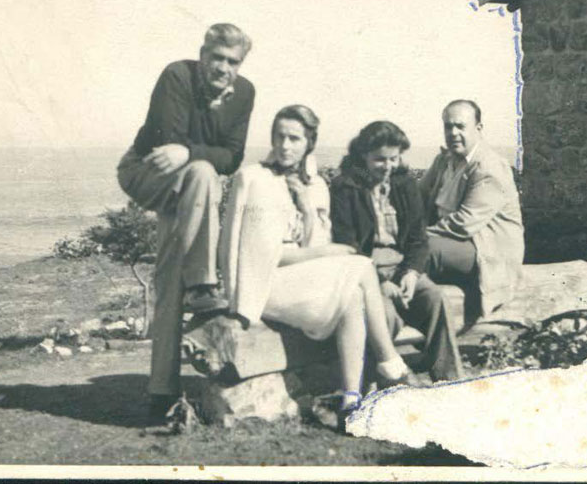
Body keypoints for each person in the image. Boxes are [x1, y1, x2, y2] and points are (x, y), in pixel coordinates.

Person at [219, 105, 417, 426]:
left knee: (352, 295)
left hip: (299, 282)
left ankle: (352, 400)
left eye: (294, 139)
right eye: (279, 136)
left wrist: (310, 211)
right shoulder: (253, 179)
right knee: (362, 266)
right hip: (264, 285)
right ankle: (391, 364)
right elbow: (265, 257)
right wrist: (331, 253)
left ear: (309, 142)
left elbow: (314, 245)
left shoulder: (314, 185)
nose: (285, 145)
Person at [117, 23, 254, 423]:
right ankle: (204, 284)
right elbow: (168, 142)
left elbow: (234, 156)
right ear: (202, 54)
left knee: (169, 272)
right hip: (145, 172)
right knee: (203, 174)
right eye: (216, 58)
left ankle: (161, 390)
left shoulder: (244, 93)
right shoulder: (177, 75)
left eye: (233, 61)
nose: (223, 68)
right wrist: (195, 151)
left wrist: (191, 150)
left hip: (192, 186)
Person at [330, 121, 463, 381]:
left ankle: (450, 380)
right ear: (363, 155)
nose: (388, 166)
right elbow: (347, 245)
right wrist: (380, 282)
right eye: (380, 160)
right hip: (365, 273)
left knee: (436, 300)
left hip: (402, 268)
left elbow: (418, 238)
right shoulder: (345, 188)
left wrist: (411, 272)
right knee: (385, 316)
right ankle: (379, 385)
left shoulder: (404, 185)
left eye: (393, 159)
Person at [419, 100, 524, 328]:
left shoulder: (489, 166)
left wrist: (417, 236)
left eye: (460, 126)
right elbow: (418, 198)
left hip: (488, 250)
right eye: (448, 127)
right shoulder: (444, 161)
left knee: (421, 250)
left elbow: (464, 223)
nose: (453, 133)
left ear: (478, 129)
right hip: (455, 244)